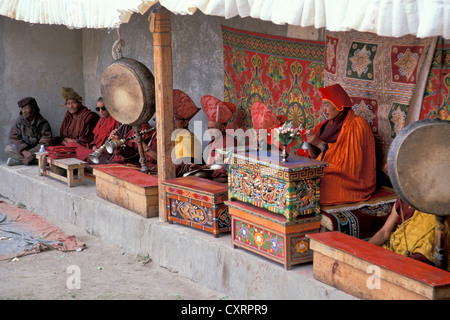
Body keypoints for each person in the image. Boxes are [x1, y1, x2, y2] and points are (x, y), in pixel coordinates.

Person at [303, 83, 376, 206]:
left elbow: (350, 165)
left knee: (310, 191)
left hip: (350, 180)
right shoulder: (326, 124)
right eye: (323, 105)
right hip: (327, 169)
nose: (323, 110)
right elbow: (317, 157)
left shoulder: (357, 125)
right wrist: (310, 144)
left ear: (339, 105)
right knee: (301, 178)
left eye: (327, 105)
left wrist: (320, 144)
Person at [369, 198, 450, 269]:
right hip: (397, 247)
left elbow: (428, 245)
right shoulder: (403, 200)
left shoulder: (439, 202)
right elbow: (384, 232)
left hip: (422, 253)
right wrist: (365, 248)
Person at [140, 89, 202, 177]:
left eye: (174, 120)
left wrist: (158, 173)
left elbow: (180, 167)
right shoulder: (172, 136)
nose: (171, 123)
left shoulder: (188, 138)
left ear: (185, 123)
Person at [186, 95, 237, 183]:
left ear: (222, 128)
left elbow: (229, 169)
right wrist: (199, 167)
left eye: (213, 129)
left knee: (199, 177)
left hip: (226, 178)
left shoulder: (231, 142)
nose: (210, 132)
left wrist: (207, 172)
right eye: (208, 128)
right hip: (212, 175)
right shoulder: (211, 143)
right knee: (188, 175)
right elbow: (209, 165)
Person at [5, 97, 53, 166]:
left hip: (37, 151)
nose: (23, 111)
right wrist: (24, 151)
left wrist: (30, 153)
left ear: (33, 108)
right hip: (23, 150)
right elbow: (14, 137)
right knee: (8, 149)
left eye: (26, 108)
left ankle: (18, 161)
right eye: (22, 108)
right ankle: (34, 161)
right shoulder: (19, 121)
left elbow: (45, 143)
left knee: (48, 155)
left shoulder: (43, 123)